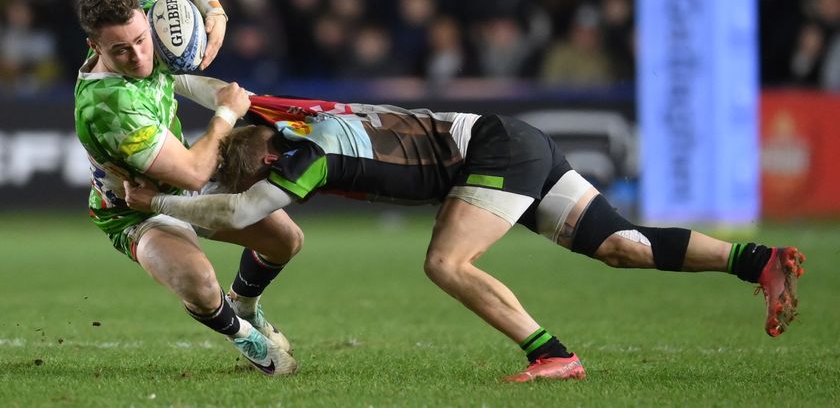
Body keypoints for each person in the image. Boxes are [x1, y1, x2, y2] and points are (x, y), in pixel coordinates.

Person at [123, 95, 806, 382]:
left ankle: (554, 354)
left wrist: (163, 198)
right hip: (510, 140)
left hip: (494, 153)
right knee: (619, 243)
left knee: (446, 262)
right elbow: (231, 102)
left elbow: (247, 210)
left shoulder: (308, 155)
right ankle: (759, 260)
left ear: (267, 155)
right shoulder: (301, 121)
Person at [74, 0, 302, 376]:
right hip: (135, 208)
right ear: (96, 48)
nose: (140, 55)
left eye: (142, 40)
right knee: (199, 283)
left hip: (176, 175)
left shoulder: (144, 14)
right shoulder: (111, 108)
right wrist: (226, 114)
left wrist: (213, 9)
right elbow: (196, 173)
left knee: (285, 240)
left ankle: (245, 305)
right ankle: (242, 335)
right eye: (121, 50)